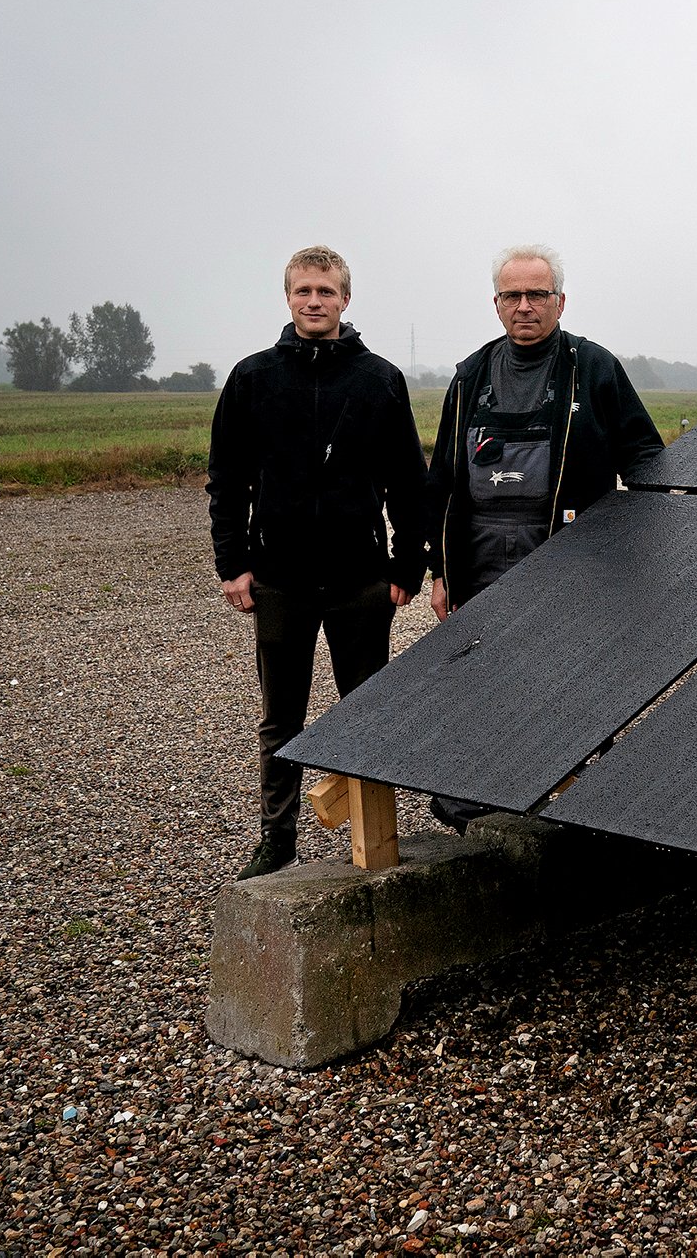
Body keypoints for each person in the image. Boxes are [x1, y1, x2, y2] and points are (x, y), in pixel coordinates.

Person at [422, 243, 664, 830]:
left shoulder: (594, 368)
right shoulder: (470, 375)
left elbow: (645, 458)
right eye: (513, 295)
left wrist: (647, 548)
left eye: (537, 294)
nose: (524, 306)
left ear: (561, 301)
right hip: (481, 553)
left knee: (573, 678)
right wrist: (441, 572)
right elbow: (443, 481)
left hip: (569, 552)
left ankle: (585, 800)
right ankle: (480, 792)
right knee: (484, 678)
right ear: (496, 303)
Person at [208, 246, 427, 879]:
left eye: (325, 291)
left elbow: (407, 483)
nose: (314, 301)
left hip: (361, 581)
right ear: (287, 298)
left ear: (345, 299)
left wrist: (406, 568)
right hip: (280, 580)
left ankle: (374, 839)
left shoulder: (379, 379)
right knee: (282, 720)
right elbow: (228, 480)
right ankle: (277, 839)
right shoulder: (253, 378)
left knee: (366, 714)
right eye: (303, 290)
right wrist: (232, 564)